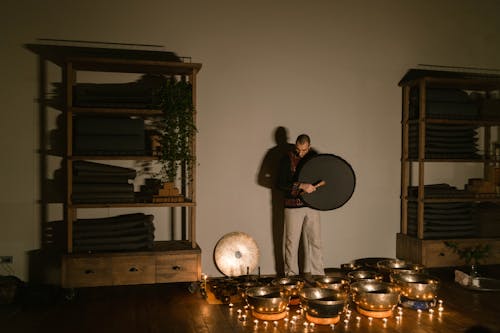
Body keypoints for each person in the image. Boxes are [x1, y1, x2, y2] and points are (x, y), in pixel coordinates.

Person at [278, 134, 325, 276]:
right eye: (298, 149)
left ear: (309, 147)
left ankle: (318, 275)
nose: (301, 153)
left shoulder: (315, 156)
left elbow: (323, 176)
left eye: (304, 150)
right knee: (291, 243)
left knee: (316, 241)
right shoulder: (286, 159)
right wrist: (301, 185)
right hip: (292, 206)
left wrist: (317, 186)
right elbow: (280, 183)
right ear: (295, 146)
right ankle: (290, 276)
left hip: (311, 205)